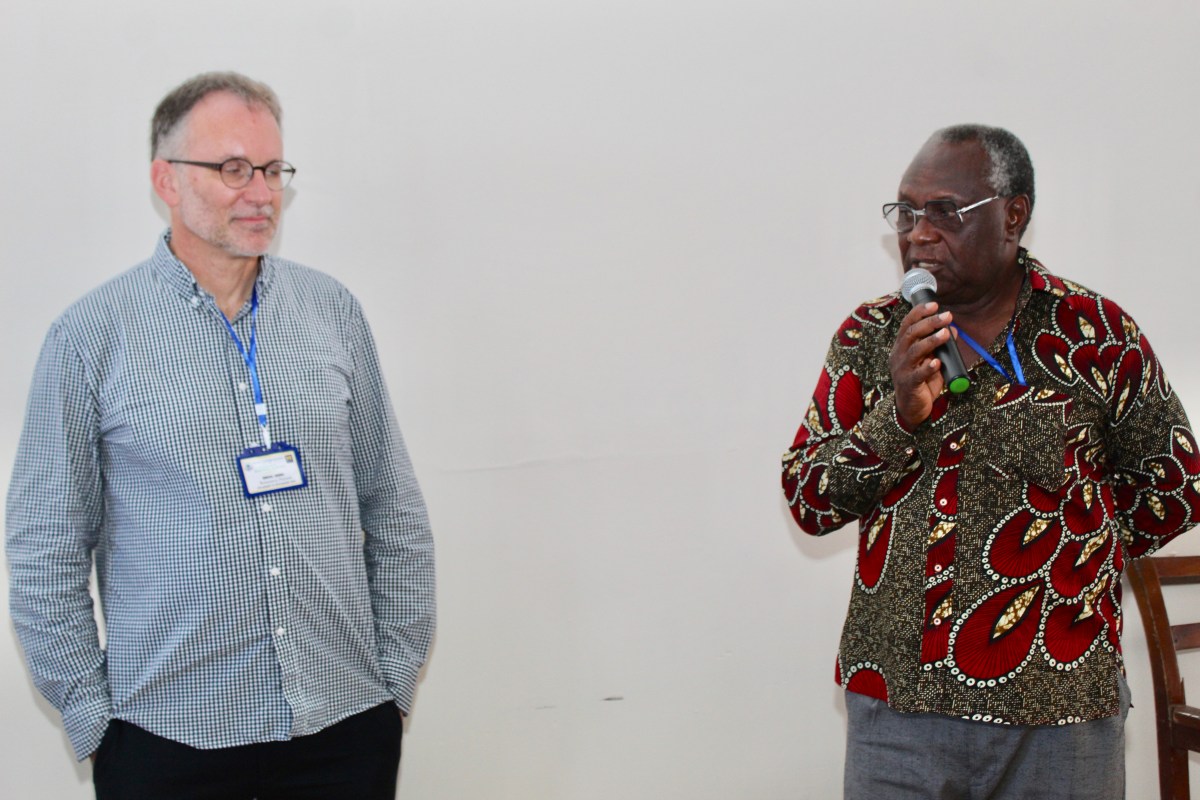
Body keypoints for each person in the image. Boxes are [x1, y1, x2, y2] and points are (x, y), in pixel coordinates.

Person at [6, 71, 435, 799]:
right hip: (169, 743)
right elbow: (45, 544)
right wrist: (94, 723)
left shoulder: (332, 313)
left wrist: (392, 682)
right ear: (166, 180)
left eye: (272, 169)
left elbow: (393, 505)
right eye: (233, 169)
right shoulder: (90, 338)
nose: (261, 192)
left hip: (344, 728)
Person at [781, 124, 1200, 799]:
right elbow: (808, 499)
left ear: (1013, 215)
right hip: (899, 710)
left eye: (944, 211)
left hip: (1060, 710)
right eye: (906, 212)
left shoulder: (1096, 334)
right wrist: (897, 417)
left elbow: (1174, 487)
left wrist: (1074, 556)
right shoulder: (870, 336)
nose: (918, 233)